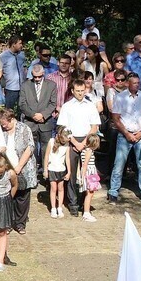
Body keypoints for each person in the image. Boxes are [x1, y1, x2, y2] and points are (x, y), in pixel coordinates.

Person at [57, 79, 101, 214]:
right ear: (72, 91)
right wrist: (75, 142)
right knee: (71, 172)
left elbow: (95, 125)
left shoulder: (90, 105)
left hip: (87, 140)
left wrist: (85, 143)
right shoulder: (67, 106)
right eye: (78, 91)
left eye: (82, 91)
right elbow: (63, 126)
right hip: (71, 140)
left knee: (86, 172)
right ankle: (73, 203)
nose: (80, 93)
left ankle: (84, 201)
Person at [108, 73, 141, 203]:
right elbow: (115, 118)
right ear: (128, 84)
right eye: (134, 83)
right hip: (125, 134)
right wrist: (126, 133)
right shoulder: (120, 97)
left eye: (138, 83)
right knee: (119, 164)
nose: (137, 85)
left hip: (140, 134)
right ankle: (113, 191)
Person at [0, 108, 36, 234]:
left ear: (12, 119)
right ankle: (8, 222)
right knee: (8, 196)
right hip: (7, 168)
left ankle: (20, 223)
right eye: (2, 124)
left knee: (23, 196)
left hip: (24, 167)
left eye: (6, 123)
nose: (4, 126)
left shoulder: (24, 129)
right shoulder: (1, 131)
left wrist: (19, 166)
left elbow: (30, 148)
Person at [19, 64, 57, 173]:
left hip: (46, 123)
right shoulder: (25, 85)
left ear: (43, 74)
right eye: (34, 77)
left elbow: (53, 104)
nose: (37, 79)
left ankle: (46, 173)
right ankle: (33, 174)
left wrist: (43, 115)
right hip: (30, 123)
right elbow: (22, 104)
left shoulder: (51, 85)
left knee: (47, 149)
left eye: (39, 77)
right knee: (31, 149)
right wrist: (33, 115)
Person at [43, 126, 71, 218]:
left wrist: (69, 171)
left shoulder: (67, 145)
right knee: (53, 188)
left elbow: (67, 159)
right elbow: (46, 156)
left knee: (61, 188)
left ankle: (59, 207)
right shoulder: (51, 141)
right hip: (52, 169)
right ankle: (53, 208)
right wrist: (45, 169)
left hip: (61, 169)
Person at [77, 133, 102, 221]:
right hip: (89, 173)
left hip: (89, 172)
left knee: (90, 193)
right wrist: (83, 177)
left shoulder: (84, 150)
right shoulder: (89, 151)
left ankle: (86, 212)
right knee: (89, 193)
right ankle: (86, 213)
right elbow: (85, 164)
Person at [0, 35, 26, 110]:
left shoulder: (22, 55)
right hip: (10, 88)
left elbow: (24, 68)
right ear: (14, 44)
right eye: (19, 43)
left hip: (22, 87)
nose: (21, 45)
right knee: (8, 110)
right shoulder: (3, 56)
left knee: (22, 109)